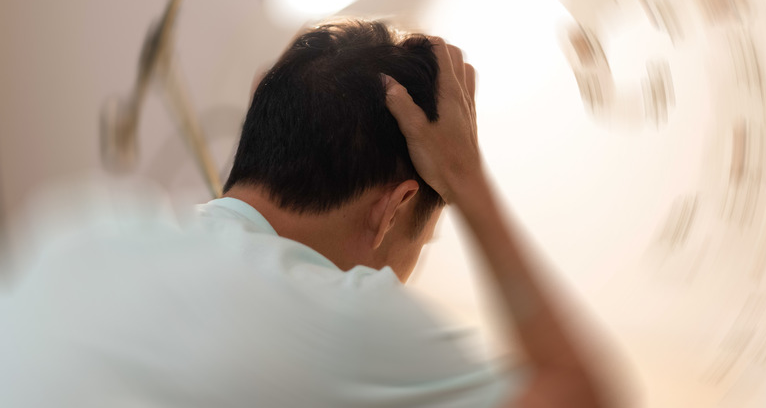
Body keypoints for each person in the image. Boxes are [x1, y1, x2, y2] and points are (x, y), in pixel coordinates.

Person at [0, 20, 607, 407]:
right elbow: (582, 396)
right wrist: (468, 182)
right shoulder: (349, 319)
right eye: (426, 240)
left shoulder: (73, 229)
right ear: (394, 211)